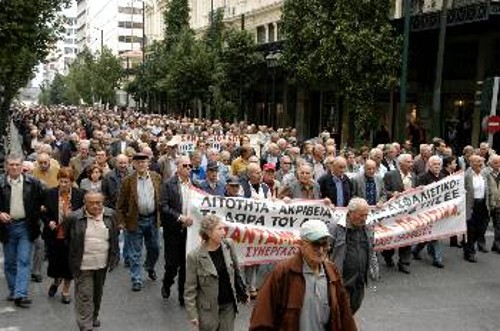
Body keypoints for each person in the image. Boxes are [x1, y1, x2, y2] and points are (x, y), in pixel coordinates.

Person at [249, 219, 357, 330]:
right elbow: (262, 317)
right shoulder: (283, 272)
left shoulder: (332, 271)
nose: (321, 250)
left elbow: (345, 314)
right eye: (315, 244)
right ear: (301, 244)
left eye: (324, 244)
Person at [65, 192, 119, 330]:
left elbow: (114, 236)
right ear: (85, 203)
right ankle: (85, 325)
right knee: (85, 295)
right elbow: (67, 239)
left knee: (97, 294)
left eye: (98, 203)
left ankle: (93, 317)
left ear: (103, 203)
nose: (95, 206)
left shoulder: (110, 215)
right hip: (83, 265)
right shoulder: (74, 218)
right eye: (91, 203)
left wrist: (114, 257)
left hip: (102, 263)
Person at [184, 215, 248, 331]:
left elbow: (237, 271)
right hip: (207, 312)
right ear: (208, 233)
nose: (224, 232)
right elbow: (190, 289)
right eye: (220, 229)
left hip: (228, 306)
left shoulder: (228, 245)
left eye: (224, 228)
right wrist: (192, 314)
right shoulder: (194, 257)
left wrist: (243, 291)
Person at [0, 153, 45, 308]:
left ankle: (21, 294)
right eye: (11, 164)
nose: (14, 167)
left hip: (26, 227)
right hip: (7, 228)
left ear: (21, 167)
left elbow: (45, 199)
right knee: (10, 262)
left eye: (17, 164)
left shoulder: (33, 183)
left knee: (24, 260)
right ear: (6, 166)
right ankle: (13, 291)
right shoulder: (0, 182)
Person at [116, 153, 162, 291]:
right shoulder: (128, 181)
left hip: (153, 219)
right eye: (138, 162)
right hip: (135, 220)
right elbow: (120, 204)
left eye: (144, 162)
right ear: (134, 164)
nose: (141, 164)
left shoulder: (156, 177)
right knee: (135, 252)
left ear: (148, 163)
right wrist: (121, 221)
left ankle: (149, 266)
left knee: (155, 248)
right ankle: (136, 278)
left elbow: (162, 198)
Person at [42, 168, 84, 304]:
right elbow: (44, 212)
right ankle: (56, 281)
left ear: (72, 182)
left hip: (72, 236)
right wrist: (49, 221)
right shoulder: (50, 194)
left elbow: (84, 213)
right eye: (61, 181)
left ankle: (65, 291)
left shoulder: (79, 195)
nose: (64, 185)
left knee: (69, 265)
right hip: (55, 235)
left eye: (67, 182)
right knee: (55, 263)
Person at [161, 155, 195, 305]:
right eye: (185, 166)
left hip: (189, 232)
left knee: (186, 265)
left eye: (190, 166)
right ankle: (167, 283)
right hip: (173, 231)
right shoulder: (169, 184)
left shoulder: (195, 185)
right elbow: (163, 206)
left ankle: (183, 295)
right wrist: (180, 217)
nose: (188, 168)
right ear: (177, 167)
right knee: (172, 265)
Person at [329, 198, 372, 314]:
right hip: (342, 279)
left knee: (355, 306)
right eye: (361, 215)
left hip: (360, 279)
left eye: (366, 215)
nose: (364, 219)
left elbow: (370, 247)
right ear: (350, 213)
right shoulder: (336, 226)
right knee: (342, 311)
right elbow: (326, 250)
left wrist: (372, 268)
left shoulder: (367, 226)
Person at [382, 153, 416, 273]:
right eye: (408, 162)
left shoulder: (413, 176)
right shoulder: (390, 175)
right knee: (392, 236)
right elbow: (383, 191)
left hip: (409, 214)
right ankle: (387, 255)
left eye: (411, 162)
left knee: (407, 236)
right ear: (400, 163)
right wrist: (392, 194)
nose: (411, 164)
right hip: (393, 213)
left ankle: (404, 262)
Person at [412, 156, 447, 268]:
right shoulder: (422, 177)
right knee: (432, 234)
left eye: (438, 164)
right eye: (434, 164)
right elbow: (417, 194)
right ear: (429, 165)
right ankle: (437, 258)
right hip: (426, 212)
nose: (437, 166)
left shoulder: (444, 177)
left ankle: (417, 251)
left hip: (440, 210)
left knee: (433, 234)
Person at [463, 155, 489, 262]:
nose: (481, 164)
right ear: (472, 163)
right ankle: (470, 252)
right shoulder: (466, 176)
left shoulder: (483, 174)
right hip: (471, 206)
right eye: (478, 162)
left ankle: (467, 246)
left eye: (482, 162)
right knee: (471, 230)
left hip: (483, 205)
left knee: (481, 230)